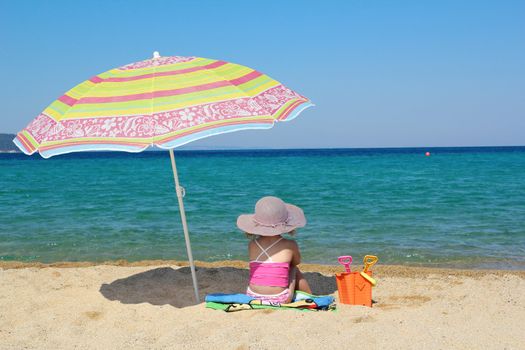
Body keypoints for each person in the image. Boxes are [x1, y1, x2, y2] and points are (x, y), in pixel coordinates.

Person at [237, 196, 312, 303]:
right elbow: (297, 262)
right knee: (293, 268)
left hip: (252, 296)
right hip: (280, 298)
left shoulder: (252, 244)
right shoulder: (290, 244)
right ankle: (309, 296)